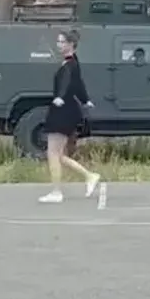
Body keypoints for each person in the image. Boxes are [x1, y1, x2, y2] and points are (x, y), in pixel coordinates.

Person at [39, 30, 101, 204]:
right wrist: (85, 100)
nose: (58, 45)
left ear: (70, 45)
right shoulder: (72, 63)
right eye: (58, 42)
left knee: (53, 153)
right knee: (57, 154)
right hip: (67, 109)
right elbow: (78, 83)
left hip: (62, 110)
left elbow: (67, 82)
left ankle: (57, 192)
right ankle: (89, 175)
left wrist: (60, 96)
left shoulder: (69, 64)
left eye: (61, 42)